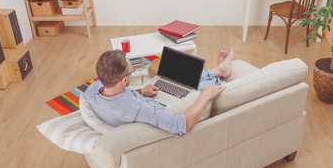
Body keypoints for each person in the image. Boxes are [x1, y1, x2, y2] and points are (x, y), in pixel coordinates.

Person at [84, 47, 234, 136]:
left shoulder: (92, 90)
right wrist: (205, 96)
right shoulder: (137, 109)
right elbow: (181, 125)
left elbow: (118, 98)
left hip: (147, 98)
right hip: (165, 109)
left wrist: (141, 91)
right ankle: (219, 74)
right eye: (132, 70)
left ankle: (218, 70)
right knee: (195, 88)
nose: (132, 72)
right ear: (124, 80)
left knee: (179, 80)